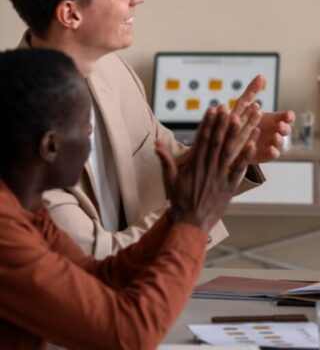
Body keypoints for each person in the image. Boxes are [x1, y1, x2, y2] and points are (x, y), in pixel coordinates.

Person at [4, 0, 295, 257]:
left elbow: (165, 164)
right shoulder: (16, 128)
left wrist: (227, 151)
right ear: (70, 14)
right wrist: (197, 210)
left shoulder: (114, 71)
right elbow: (96, 259)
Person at [0, 48, 260, 349]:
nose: (91, 147)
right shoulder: (5, 229)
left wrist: (176, 217)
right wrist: (193, 223)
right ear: (50, 146)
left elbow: (99, 276)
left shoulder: (24, 206)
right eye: (87, 132)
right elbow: (129, 335)